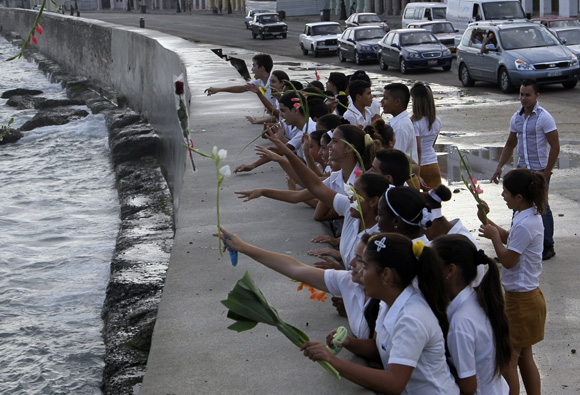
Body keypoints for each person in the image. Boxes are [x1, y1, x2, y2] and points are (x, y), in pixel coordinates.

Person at [300, 233, 459, 394]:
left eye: (366, 267)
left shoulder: (411, 318)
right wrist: (348, 342)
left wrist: (332, 360)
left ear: (386, 274)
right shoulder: (388, 302)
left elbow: (394, 383)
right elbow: (379, 347)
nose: (361, 273)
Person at [217, 230, 379, 340]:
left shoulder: (392, 304)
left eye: (359, 260)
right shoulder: (350, 281)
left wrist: (346, 345)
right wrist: (243, 247)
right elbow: (295, 268)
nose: (350, 264)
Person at [478, 168, 548, 395]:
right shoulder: (526, 216)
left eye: (506, 193)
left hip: (521, 302)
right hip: (528, 297)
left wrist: (494, 238)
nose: (502, 196)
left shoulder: (527, 222)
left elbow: (507, 260)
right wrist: (487, 221)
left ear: (519, 197)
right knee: (525, 356)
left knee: (508, 359)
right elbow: (511, 239)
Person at [432, 235, 511, 394]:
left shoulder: (460, 322)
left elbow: (469, 386)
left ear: (450, 270)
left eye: (430, 265)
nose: (425, 271)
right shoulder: (477, 298)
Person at [491, 79, 559, 261]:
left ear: (537, 95)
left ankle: (548, 246)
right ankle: (514, 246)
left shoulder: (545, 117)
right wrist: (499, 167)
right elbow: (510, 143)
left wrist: (546, 173)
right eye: (521, 94)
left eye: (527, 94)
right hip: (522, 171)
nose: (523, 98)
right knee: (518, 206)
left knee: (541, 207)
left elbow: (555, 146)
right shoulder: (517, 118)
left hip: (540, 171)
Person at [380, 83, 419, 185]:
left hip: (404, 180)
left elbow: (395, 160)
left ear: (397, 101)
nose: (382, 102)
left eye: (385, 98)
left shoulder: (400, 127)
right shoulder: (397, 122)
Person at [205, 54, 276, 106]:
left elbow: (279, 114)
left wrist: (259, 121)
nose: (252, 69)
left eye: (254, 66)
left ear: (262, 68)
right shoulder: (260, 82)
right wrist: (218, 90)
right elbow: (241, 88)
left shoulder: (274, 85)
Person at [410, 82, 441, 190]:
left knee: (417, 202)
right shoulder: (437, 121)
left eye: (412, 100)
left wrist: (417, 174)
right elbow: (432, 144)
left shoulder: (415, 123)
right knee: (434, 201)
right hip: (433, 164)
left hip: (418, 165)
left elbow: (418, 149)